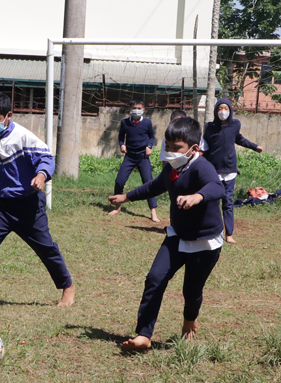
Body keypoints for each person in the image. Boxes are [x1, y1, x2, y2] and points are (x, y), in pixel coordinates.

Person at [108, 117, 224, 350]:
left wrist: (197, 196)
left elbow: (216, 187)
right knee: (155, 279)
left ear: (193, 148)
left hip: (204, 242)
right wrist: (127, 196)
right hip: (177, 236)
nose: (170, 152)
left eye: (176, 148)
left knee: (191, 291)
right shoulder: (172, 167)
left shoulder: (202, 166)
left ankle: (190, 320)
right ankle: (143, 334)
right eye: (168, 147)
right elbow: (155, 186)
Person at [0, 91, 75, 308]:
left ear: (9, 115)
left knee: (46, 247)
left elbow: (45, 159)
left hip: (29, 205)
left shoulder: (24, 137)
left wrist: (41, 175)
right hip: (0, 207)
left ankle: (67, 287)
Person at [202, 98, 263, 244]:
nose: (223, 111)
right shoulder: (210, 127)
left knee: (228, 202)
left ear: (230, 110)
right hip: (214, 171)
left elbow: (239, 139)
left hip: (230, 171)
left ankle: (229, 234)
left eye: (226, 108)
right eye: (220, 109)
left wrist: (255, 147)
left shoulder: (235, 125)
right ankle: (213, 231)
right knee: (213, 203)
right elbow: (204, 147)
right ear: (216, 111)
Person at [109, 99, 159, 222]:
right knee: (119, 181)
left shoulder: (147, 123)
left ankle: (153, 211)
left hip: (143, 156)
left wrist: (149, 146)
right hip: (129, 156)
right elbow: (121, 136)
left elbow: (152, 137)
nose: (136, 110)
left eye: (139, 108)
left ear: (143, 110)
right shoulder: (125, 123)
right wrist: (122, 144)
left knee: (148, 182)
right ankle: (117, 206)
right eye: (134, 108)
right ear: (129, 109)